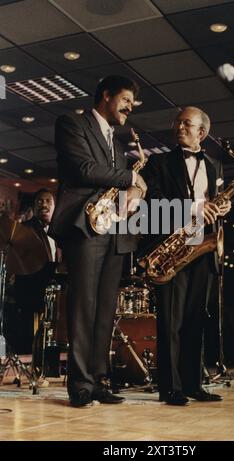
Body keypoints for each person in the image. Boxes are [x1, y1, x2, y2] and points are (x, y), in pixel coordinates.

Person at [49, 75, 147, 407]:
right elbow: (83, 169)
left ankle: (100, 380)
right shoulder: (71, 123)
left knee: (105, 310)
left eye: (132, 103)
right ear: (105, 95)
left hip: (114, 229)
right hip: (85, 227)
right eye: (125, 99)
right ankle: (80, 384)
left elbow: (120, 185)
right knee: (83, 308)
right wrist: (131, 177)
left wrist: (133, 192)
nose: (130, 107)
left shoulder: (119, 147)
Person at [141, 106, 231, 405]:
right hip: (172, 249)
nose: (179, 127)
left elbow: (214, 202)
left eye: (186, 123)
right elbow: (151, 203)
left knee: (195, 319)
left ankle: (193, 383)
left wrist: (223, 208)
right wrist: (192, 208)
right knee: (170, 322)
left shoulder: (216, 165)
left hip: (203, 249)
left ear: (201, 132)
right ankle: (171, 388)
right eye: (177, 122)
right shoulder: (158, 162)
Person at [14, 189, 58, 355]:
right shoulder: (24, 228)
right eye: (39, 201)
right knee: (30, 335)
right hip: (32, 290)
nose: (44, 205)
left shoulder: (61, 229)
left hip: (55, 291)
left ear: (54, 206)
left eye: (48, 201)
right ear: (34, 206)